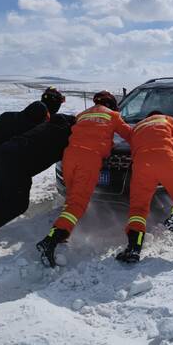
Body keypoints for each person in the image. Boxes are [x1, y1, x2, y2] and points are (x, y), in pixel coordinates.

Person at [0, 108, 75, 255]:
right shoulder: (70, 135)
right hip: (18, 162)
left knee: (3, 198)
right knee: (18, 205)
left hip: (5, 152)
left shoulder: (56, 122)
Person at [36, 91, 132, 267]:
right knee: (78, 204)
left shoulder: (82, 114)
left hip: (69, 158)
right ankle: (50, 241)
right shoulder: (113, 116)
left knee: (72, 198)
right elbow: (132, 137)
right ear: (112, 104)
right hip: (89, 160)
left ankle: (64, 233)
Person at [115, 111, 173, 263]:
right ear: (159, 115)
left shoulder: (137, 127)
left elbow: (134, 148)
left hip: (142, 164)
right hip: (166, 159)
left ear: (147, 117)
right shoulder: (168, 119)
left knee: (138, 208)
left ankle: (134, 248)